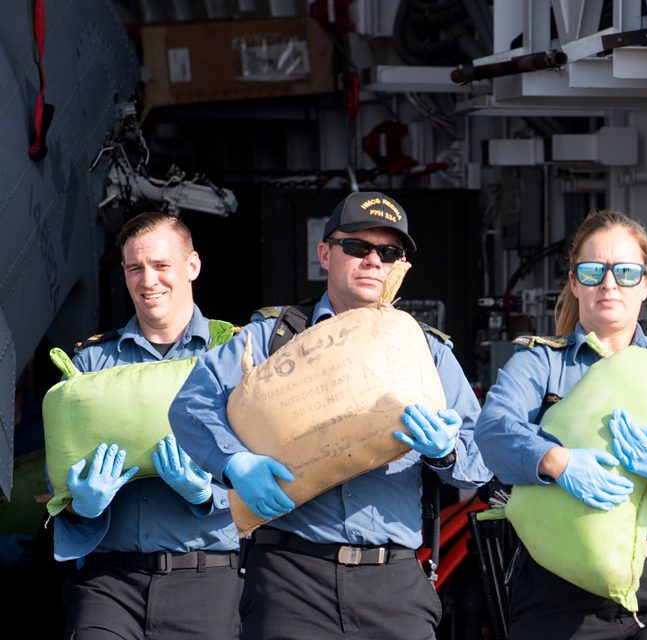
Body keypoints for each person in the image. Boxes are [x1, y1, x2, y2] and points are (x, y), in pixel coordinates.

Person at [168, 191, 490, 640]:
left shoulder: (426, 350)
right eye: (357, 247)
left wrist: (446, 452)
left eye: (388, 252)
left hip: (392, 581)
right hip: (290, 579)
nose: (373, 261)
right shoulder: (273, 337)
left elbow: (478, 460)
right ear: (325, 253)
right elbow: (190, 405)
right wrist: (234, 463)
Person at [475, 209, 647, 639]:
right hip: (562, 588)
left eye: (626, 272)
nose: (609, 284)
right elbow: (493, 430)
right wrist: (557, 461)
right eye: (593, 271)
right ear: (574, 282)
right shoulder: (541, 363)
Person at [54, 212, 240, 639]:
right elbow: (59, 479)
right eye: (135, 268)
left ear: (192, 266)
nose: (148, 280)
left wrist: (207, 493)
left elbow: (276, 470)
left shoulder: (233, 356)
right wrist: (81, 504)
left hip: (207, 581)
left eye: (161, 266)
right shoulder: (90, 365)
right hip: (110, 582)